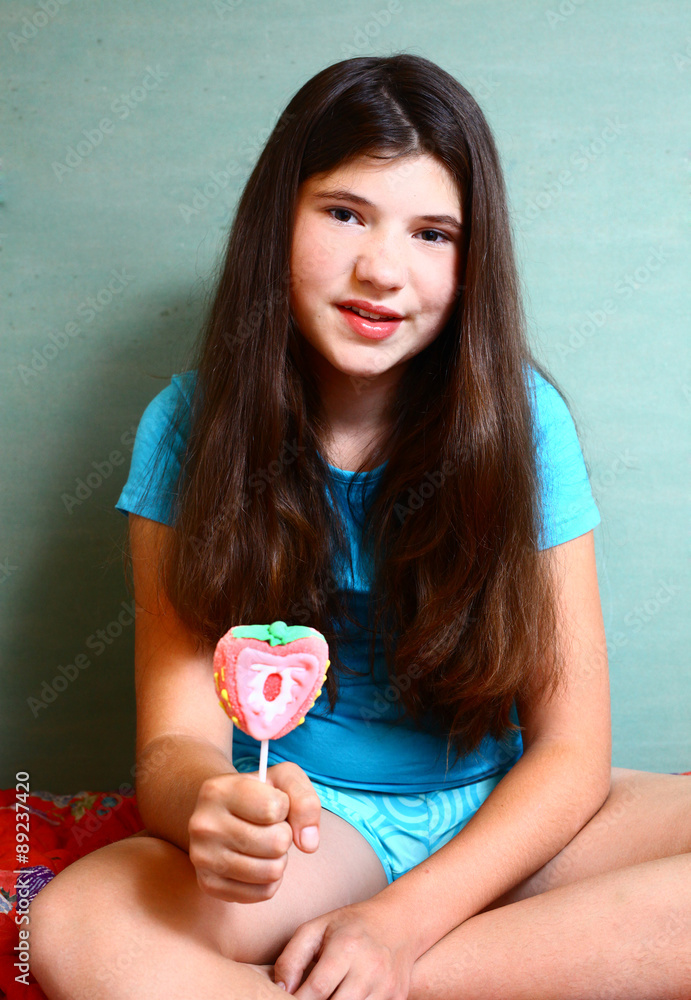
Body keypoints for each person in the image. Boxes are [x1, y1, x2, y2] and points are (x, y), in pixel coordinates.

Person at [28, 53, 691, 1000]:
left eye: (432, 233)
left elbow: (571, 750)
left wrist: (396, 931)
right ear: (278, 220)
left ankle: (368, 982)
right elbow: (174, 743)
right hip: (311, 833)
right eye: (343, 213)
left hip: (500, 811)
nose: (381, 269)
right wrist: (207, 807)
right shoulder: (189, 428)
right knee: (73, 927)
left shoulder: (522, 423)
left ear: (471, 265)